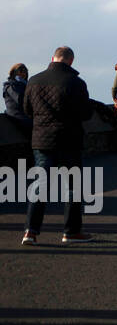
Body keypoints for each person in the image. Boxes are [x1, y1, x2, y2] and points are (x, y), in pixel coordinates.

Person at [21, 47, 93, 246]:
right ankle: (71, 232)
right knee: (73, 188)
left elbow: (27, 110)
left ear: (52, 58)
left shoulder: (33, 81)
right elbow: (86, 113)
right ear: (70, 61)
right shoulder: (76, 83)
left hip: (42, 140)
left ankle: (30, 232)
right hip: (69, 140)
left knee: (39, 187)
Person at [4, 64, 31, 135]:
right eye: (21, 71)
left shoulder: (27, 85)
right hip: (17, 117)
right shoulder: (10, 85)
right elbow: (20, 100)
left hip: (26, 116)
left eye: (25, 71)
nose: (23, 73)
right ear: (14, 73)